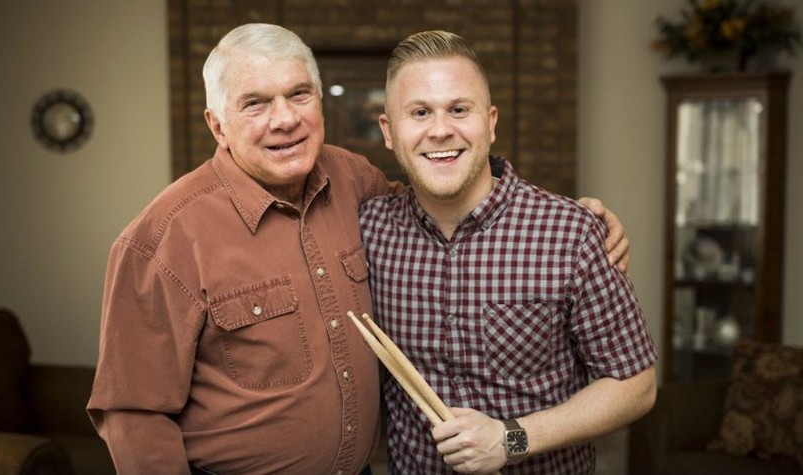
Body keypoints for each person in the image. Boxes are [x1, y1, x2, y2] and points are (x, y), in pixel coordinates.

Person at [86, 23, 631, 475]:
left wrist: (568, 222)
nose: (284, 118)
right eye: (255, 103)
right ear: (217, 124)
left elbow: (448, 194)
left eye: (298, 94)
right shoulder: (160, 239)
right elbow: (133, 415)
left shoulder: (356, 183)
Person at [359, 30, 657, 475]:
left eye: (459, 109)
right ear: (389, 131)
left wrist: (512, 439)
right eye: (419, 112)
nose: (440, 129)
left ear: (491, 122)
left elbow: (636, 384)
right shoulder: (367, 231)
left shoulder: (570, 233)